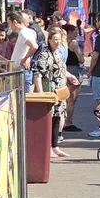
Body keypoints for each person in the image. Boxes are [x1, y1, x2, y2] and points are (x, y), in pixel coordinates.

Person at [32, 26, 78, 158]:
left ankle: (55, 146)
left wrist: (69, 76)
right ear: (50, 40)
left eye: (59, 39)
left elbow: (61, 68)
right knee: (49, 119)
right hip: (49, 90)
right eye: (55, 39)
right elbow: (38, 74)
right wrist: (41, 93)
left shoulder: (58, 52)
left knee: (57, 118)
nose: (58, 42)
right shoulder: (44, 53)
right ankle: (47, 148)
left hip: (59, 91)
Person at [63, 23, 86, 132]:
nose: (77, 34)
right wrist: (82, 57)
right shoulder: (73, 43)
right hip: (74, 70)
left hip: (65, 69)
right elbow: (81, 59)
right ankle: (69, 122)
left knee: (66, 98)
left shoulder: (63, 43)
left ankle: (64, 121)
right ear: (69, 33)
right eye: (75, 32)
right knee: (72, 99)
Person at [9, 10, 40, 91]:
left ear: (15, 22)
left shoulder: (24, 32)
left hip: (22, 71)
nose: (9, 26)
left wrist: (24, 60)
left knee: (23, 96)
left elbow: (34, 46)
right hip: (20, 70)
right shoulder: (24, 32)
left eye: (9, 23)